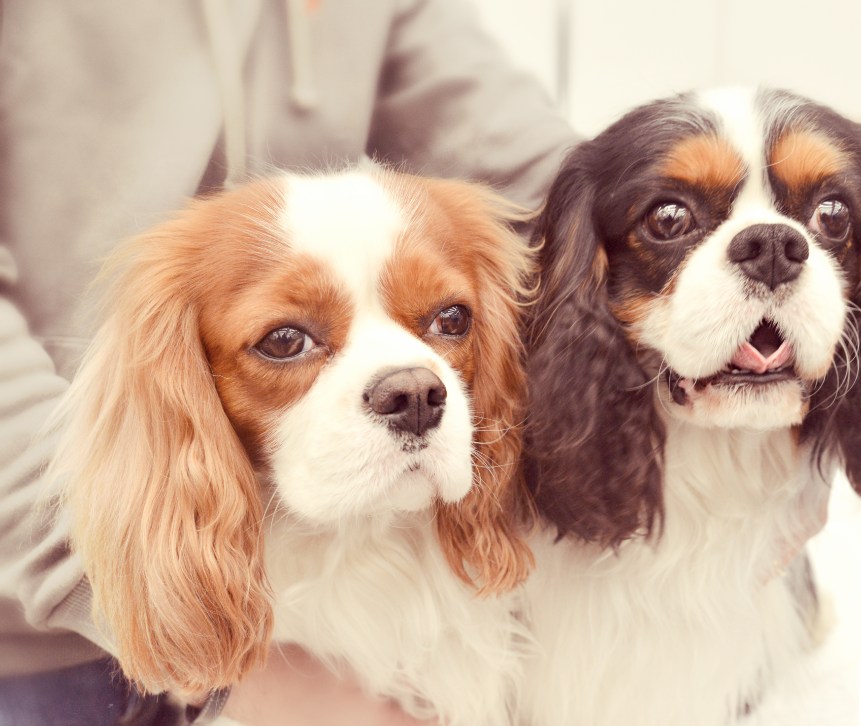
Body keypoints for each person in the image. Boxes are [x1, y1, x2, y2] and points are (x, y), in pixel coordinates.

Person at [0, 1, 575, 723]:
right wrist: (186, 624)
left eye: (446, 321)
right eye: (285, 340)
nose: (414, 384)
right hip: (48, 629)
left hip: (407, 627)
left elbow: (564, 189)